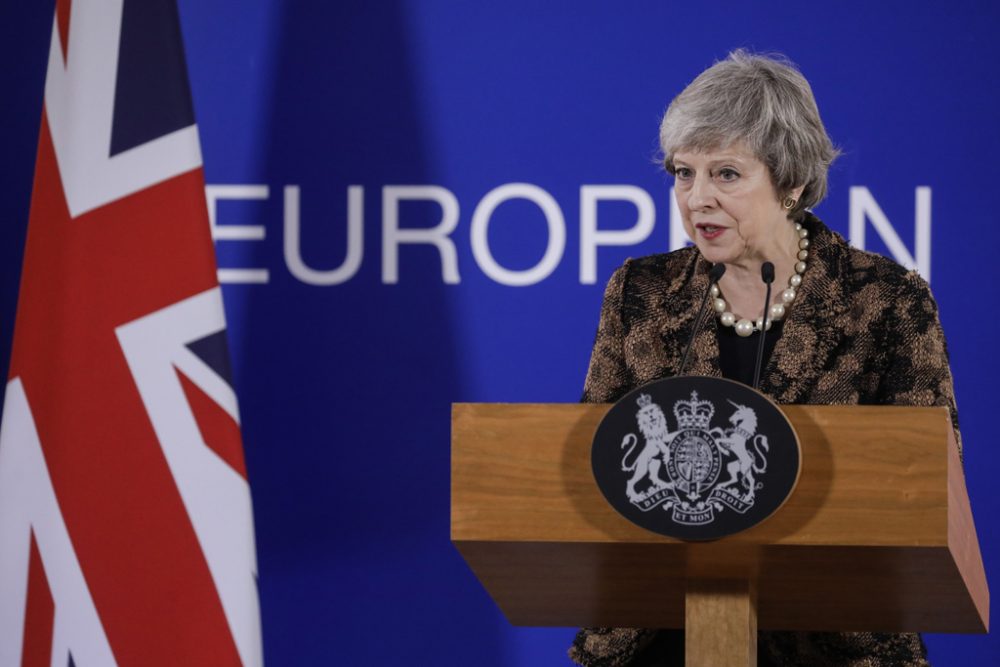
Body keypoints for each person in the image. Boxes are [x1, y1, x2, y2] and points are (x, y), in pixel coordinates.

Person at [569, 50, 960, 667]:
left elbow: (926, 477)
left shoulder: (883, 300)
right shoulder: (640, 292)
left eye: (726, 174)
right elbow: (593, 459)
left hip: (831, 637)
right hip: (660, 629)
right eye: (683, 173)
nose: (697, 198)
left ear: (792, 181)